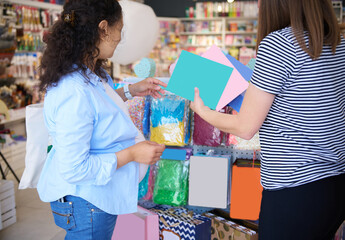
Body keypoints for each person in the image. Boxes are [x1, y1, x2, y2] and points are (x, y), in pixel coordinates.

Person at [190, 0, 345, 239]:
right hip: (335, 184)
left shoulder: (279, 44)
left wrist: (203, 111)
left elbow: (246, 127)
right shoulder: (338, 42)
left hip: (294, 188)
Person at [37, 0, 166, 239]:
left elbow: (95, 108)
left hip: (94, 200)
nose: (120, 37)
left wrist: (131, 90)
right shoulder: (73, 91)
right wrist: (133, 154)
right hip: (87, 203)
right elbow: (75, 169)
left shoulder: (86, 72)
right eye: (120, 29)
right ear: (104, 28)